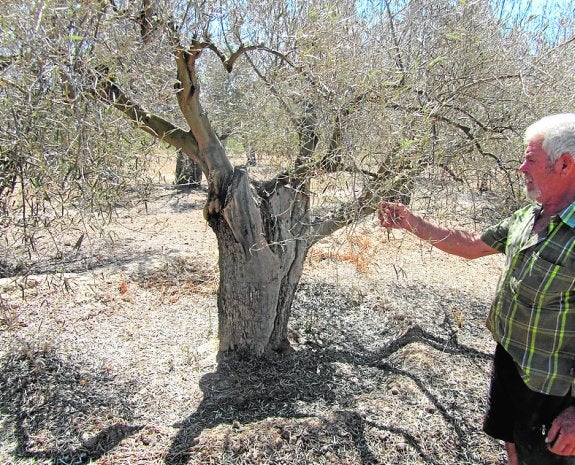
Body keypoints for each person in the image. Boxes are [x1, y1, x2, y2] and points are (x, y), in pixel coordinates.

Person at [378, 113, 575, 465]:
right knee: (513, 446)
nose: (521, 167)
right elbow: (471, 246)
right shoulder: (529, 216)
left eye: (531, 159)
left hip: (554, 389)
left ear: (564, 164)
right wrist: (410, 222)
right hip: (512, 362)